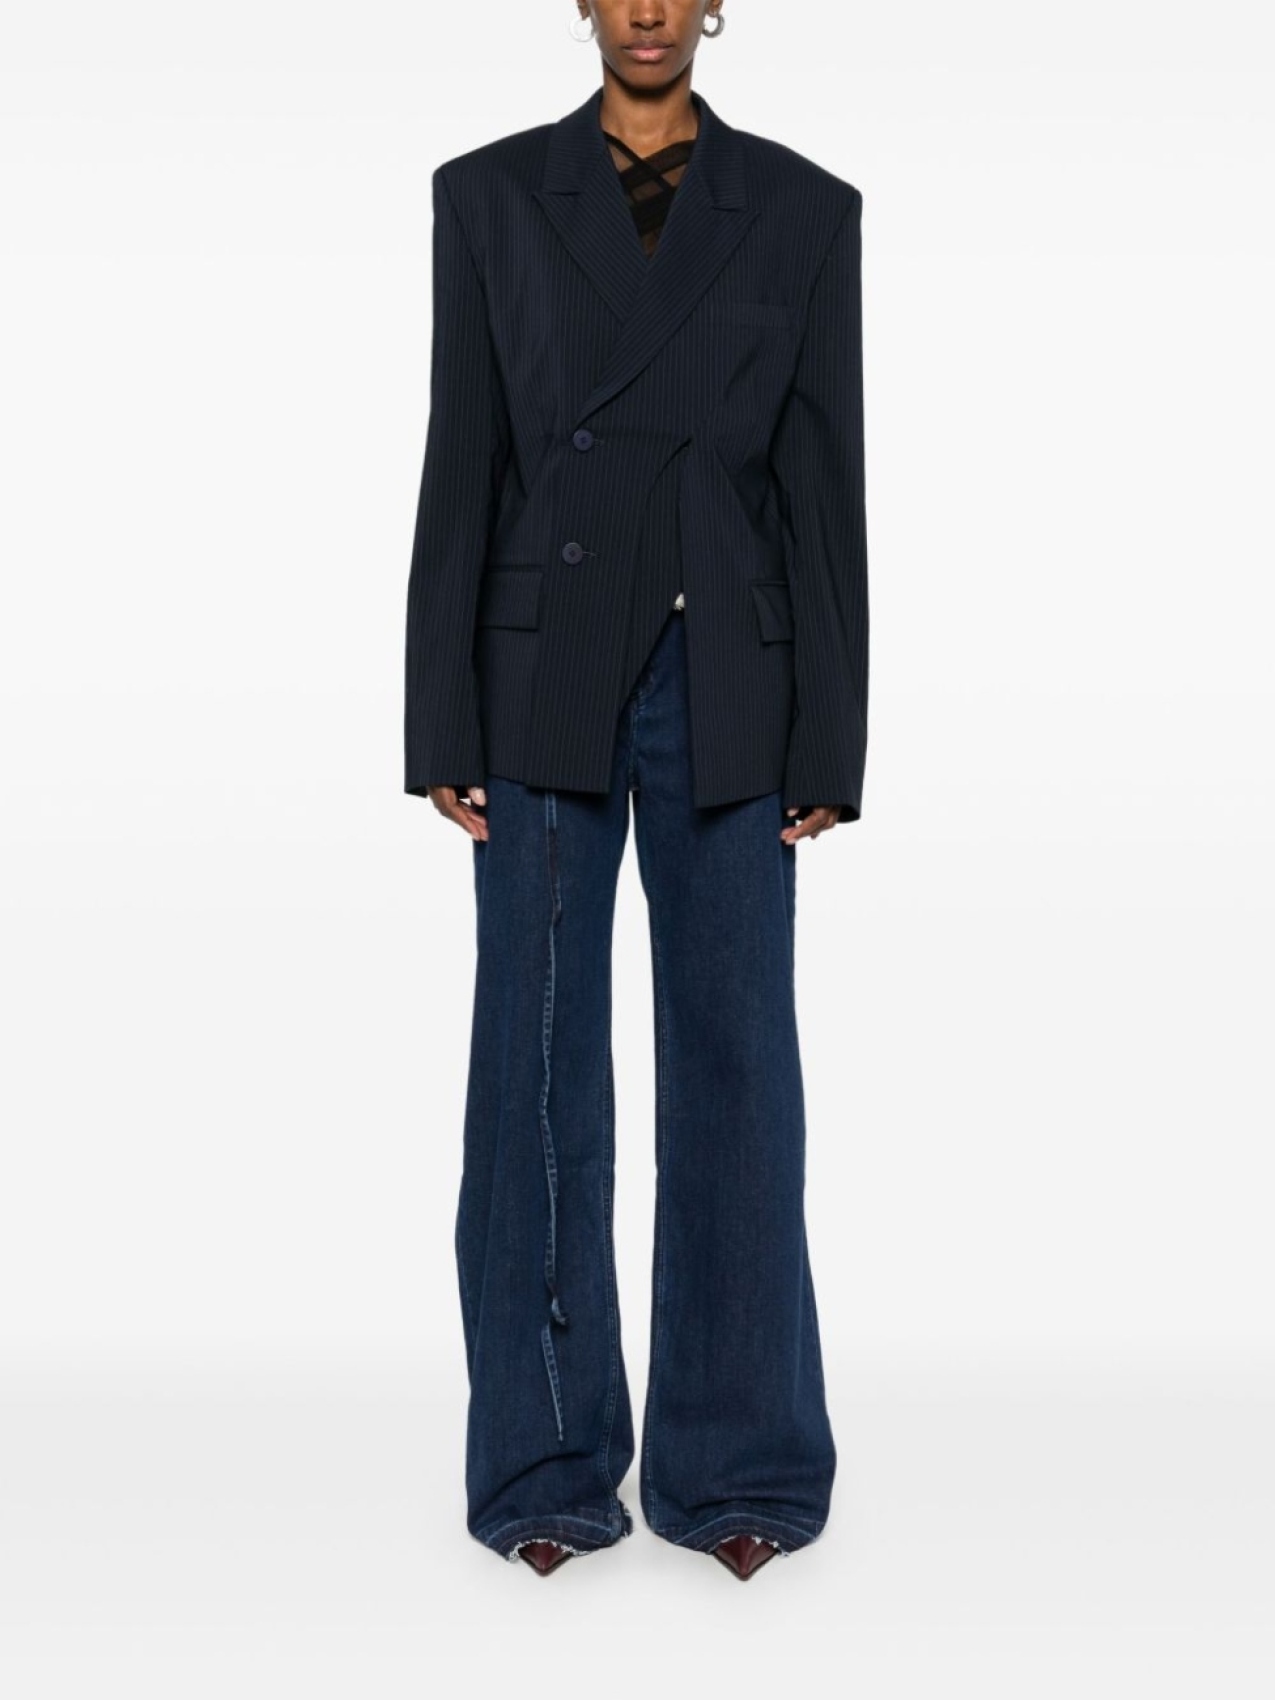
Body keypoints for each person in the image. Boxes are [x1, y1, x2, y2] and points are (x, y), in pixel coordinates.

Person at [403, 0, 868, 1583]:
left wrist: (830, 738)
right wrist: (438, 711)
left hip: (731, 672)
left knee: (738, 1069)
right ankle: (544, 1458)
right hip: (539, 668)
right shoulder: (485, 196)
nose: (651, 10)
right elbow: (465, 453)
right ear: (587, 4)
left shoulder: (805, 209)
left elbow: (824, 480)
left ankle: (739, 1460)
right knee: (535, 1067)